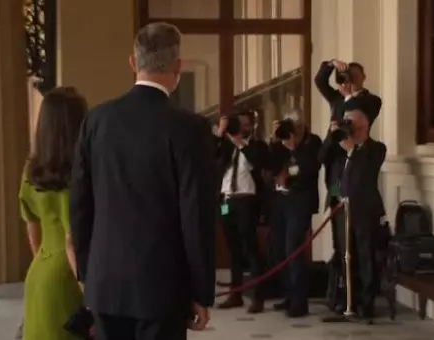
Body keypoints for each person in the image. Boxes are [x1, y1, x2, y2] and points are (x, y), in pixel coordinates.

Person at [70, 22, 217, 340]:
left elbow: (80, 204)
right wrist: (202, 291)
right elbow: (197, 215)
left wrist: (86, 273)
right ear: (178, 67)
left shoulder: (96, 121)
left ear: (133, 63)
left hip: (105, 283)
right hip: (162, 288)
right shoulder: (189, 129)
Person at [18, 87, 88, 340]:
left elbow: (32, 228)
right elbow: (74, 241)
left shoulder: (32, 171)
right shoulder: (81, 174)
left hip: (39, 273)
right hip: (72, 279)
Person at [319, 100, 386, 323]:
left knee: (365, 257)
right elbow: (330, 168)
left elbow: (365, 173)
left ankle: (367, 304)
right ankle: (349, 300)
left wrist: (351, 149)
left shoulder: (375, 149)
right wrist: (333, 135)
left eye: (352, 123)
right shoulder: (341, 151)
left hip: (365, 212)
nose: (349, 128)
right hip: (342, 211)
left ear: (364, 126)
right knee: (345, 257)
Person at [267, 113, 321, 318]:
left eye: (296, 127)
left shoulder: (312, 142)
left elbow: (310, 169)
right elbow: (270, 165)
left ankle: (300, 302)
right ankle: (289, 295)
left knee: (294, 250)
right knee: (279, 250)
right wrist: (275, 141)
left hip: (300, 202)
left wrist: (294, 148)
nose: (292, 132)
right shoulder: (280, 142)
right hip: (280, 201)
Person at [214, 110, 268, 314]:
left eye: (245, 124)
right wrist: (220, 133)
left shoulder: (257, 146)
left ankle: (258, 297)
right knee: (232, 248)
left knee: (250, 246)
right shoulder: (226, 146)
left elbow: (260, 163)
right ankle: (235, 294)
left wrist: (241, 143)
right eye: (238, 124)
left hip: (247, 199)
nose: (241, 128)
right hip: (227, 200)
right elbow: (209, 155)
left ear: (251, 126)